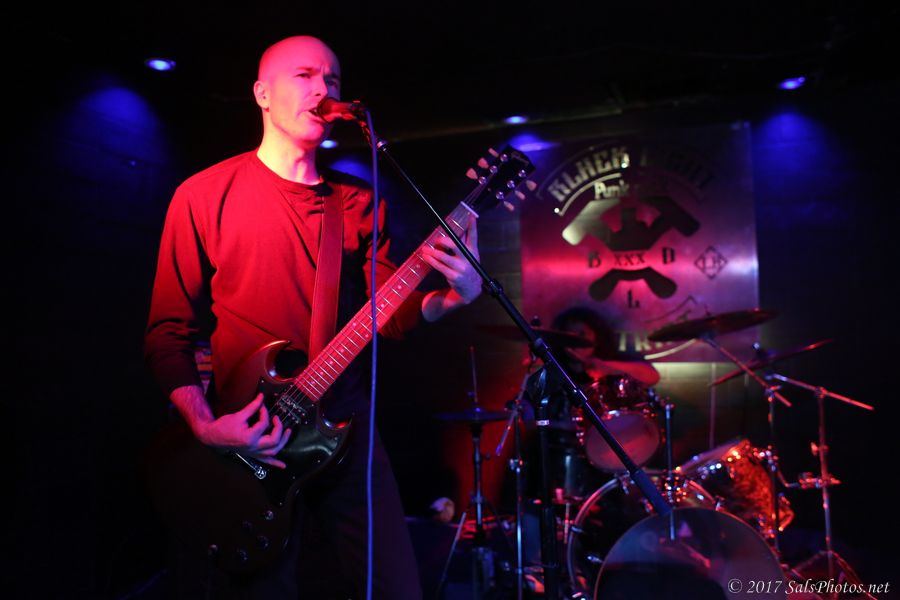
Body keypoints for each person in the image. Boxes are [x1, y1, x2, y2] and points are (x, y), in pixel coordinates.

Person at [144, 35, 481, 599]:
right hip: (254, 438)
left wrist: (456, 297)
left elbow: (390, 314)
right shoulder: (203, 195)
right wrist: (205, 426)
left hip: (346, 428)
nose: (323, 90)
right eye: (304, 76)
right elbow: (168, 333)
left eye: (333, 80)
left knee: (395, 588)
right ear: (262, 94)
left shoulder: (359, 201)